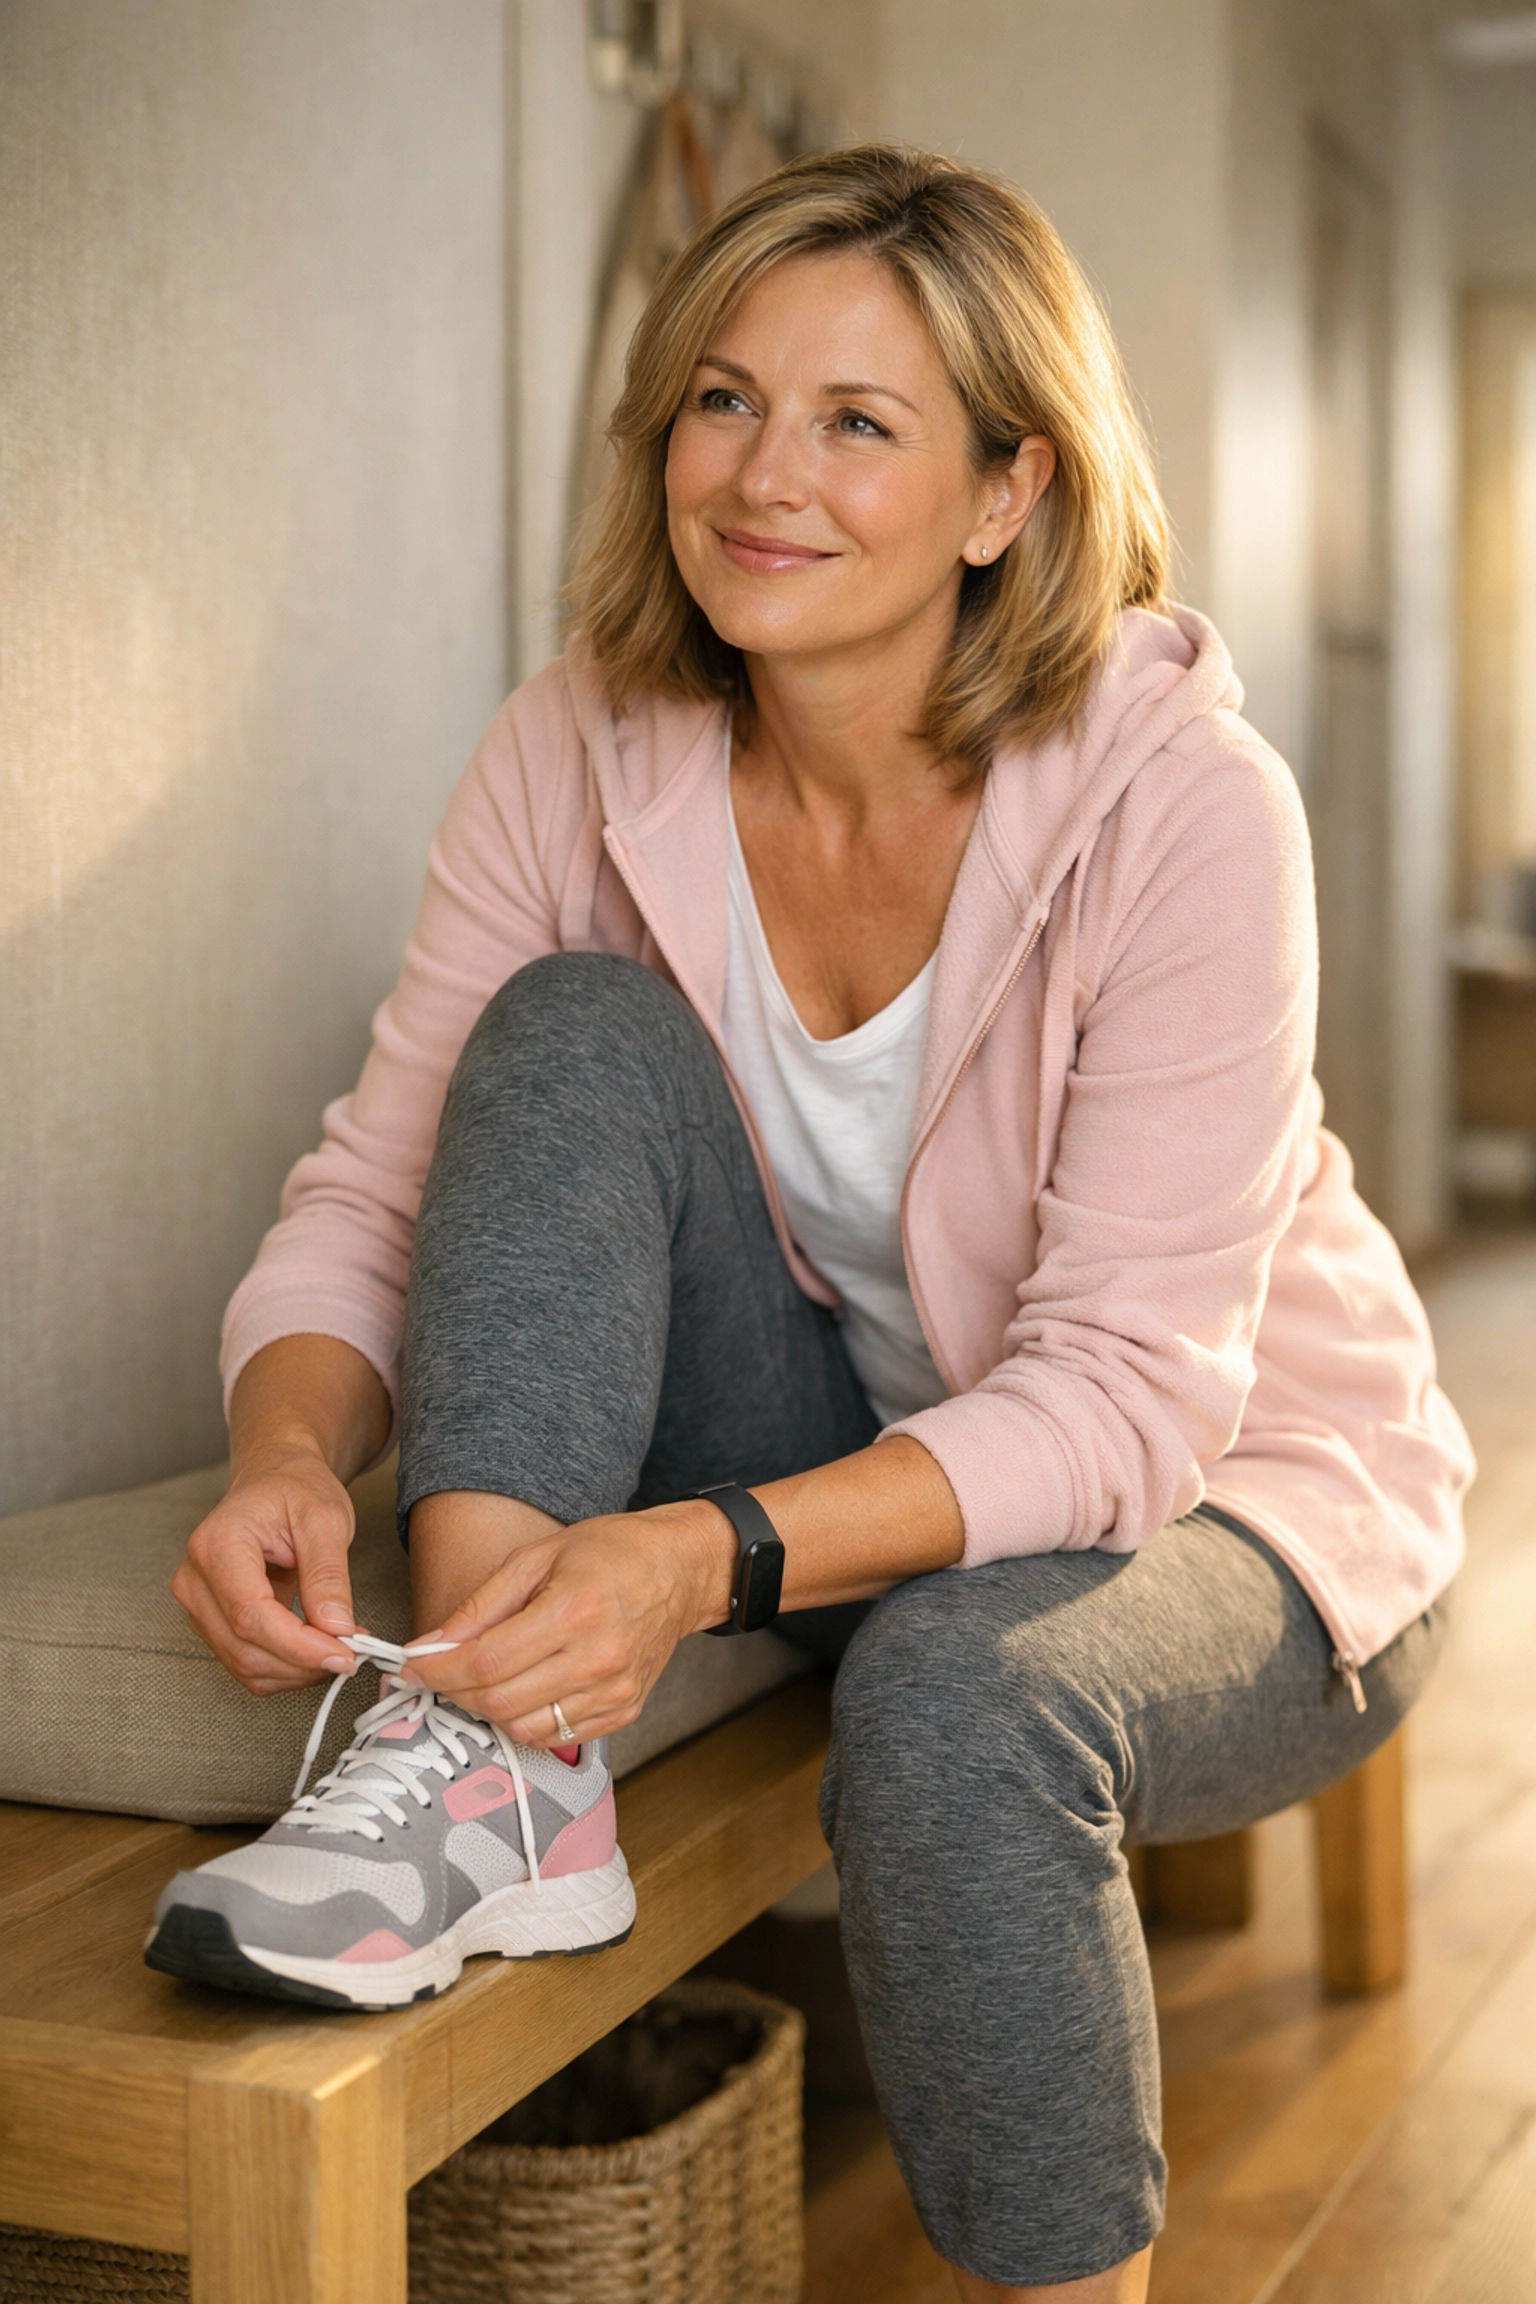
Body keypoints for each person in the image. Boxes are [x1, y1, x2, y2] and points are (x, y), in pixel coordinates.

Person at [148, 147, 1471, 2304]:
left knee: (955, 1699)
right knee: (567, 1027)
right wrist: (288, 1454)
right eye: (726, 401)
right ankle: (499, 1769)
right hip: (825, 1435)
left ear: (1004, 493)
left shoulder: (1186, 803)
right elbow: (376, 1185)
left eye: (861, 422)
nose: (765, 476)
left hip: (1230, 1501)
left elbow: (1132, 1397)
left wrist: (702, 1556)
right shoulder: (580, 741)